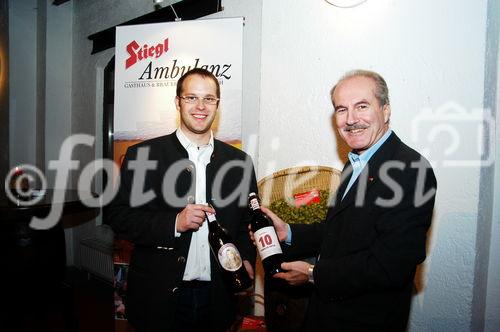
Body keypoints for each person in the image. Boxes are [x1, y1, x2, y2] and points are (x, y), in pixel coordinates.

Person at [259, 69, 437, 332]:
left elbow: (392, 264)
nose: (351, 119)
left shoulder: (411, 170)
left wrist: (312, 273)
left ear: (386, 110)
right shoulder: (354, 164)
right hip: (326, 315)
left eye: (362, 106)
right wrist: (288, 233)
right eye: (342, 110)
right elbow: (338, 232)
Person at [108, 68, 257, 332]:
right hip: (158, 295)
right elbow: (119, 217)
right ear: (178, 102)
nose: (201, 106)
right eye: (191, 98)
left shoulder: (240, 163)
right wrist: (174, 223)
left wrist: (245, 256)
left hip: (218, 295)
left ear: (217, 105)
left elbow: (246, 222)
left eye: (209, 99)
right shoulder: (143, 155)